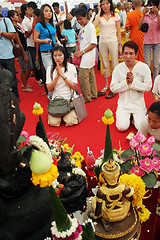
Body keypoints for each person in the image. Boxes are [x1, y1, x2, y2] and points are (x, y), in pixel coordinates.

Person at [110, 41, 152, 131]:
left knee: (140, 127)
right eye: (125, 53)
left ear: (136, 54)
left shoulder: (144, 67)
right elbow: (113, 88)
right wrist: (126, 83)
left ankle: (134, 119)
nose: (128, 57)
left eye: (131, 53)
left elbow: (148, 87)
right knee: (122, 127)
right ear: (122, 54)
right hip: (123, 105)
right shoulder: (118, 68)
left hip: (138, 105)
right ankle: (129, 118)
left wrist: (133, 82)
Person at [93, 0, 122, 99]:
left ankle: (116, 83)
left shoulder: (116, 15)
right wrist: (98, 13)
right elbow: (94, 26)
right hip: (102, 42)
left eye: (107, 3)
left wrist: (120, 45)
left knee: (115, 63)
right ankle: (106, 84)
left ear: (110, 4)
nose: (105, 6)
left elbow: (118, 32)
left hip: (113, 41)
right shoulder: (99, 16)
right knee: (105, 64)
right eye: (103, 4)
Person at [46, 45, 78, 127]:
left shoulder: (71, 67)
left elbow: (74, 87)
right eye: (55, 55)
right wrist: (57, 76)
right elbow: (49, 88)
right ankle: (62, 115)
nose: (57, 58)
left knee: (70, 122)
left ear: (64, 55)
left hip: (69, 99)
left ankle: (66, 114)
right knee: (54, 123)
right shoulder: (50, 69)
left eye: (60, 55)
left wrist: (62, 75)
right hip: (56, 100)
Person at [74, 7, 98, 103]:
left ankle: (87, 97)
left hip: (87, 56)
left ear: (86, 16)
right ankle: (93, 94)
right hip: (85, 56)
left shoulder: (90, 27)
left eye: (81, 19)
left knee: (84, 79)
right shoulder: (84, 27)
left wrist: (81, 52)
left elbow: (93, 43)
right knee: (90, 77)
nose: (79, 21)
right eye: (77, 19)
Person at [7, 10, 33, 92]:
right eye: (16, 15)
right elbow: (18, 41)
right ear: (12, 17)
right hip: (21, 50)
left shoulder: (18, 26)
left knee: (29, 67)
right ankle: (25, 86)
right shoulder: (13, 28)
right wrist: (24, 54)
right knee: (23, 69)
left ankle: (25, 82)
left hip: (25, 48)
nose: (18, 16)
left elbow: (24, 37)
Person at [138, 0, 160, 82]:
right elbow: (139, 27)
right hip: (147, 42)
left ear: (157, 6)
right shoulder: (145, 15)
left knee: (156, 65)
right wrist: (143, 15)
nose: (152, 8)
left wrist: (157, 14)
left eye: (154, 5)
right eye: (150, 5)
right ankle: (148, 81)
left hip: (157, 42)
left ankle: (156, 83)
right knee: (147, 64)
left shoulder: (159, 15)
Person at [34, 4, 60, 71]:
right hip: (46, 52)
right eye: (46, 11)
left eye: (50, 11)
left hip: (55, 51)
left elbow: (55, 36)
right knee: (50, 71)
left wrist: (58, 42)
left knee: (57, 70)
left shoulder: (53, 24)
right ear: (42, 13)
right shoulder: (39, 25)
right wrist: (44, 41)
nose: (49, 13)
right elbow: (35, 39)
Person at [0, 14, 19, 101]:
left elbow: (13, 35)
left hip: (8, 55)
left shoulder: (6, 21)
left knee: (11, 77)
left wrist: (1, 33)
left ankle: (15, 96)